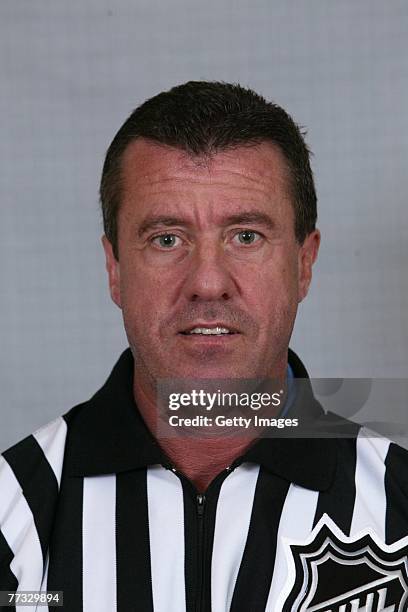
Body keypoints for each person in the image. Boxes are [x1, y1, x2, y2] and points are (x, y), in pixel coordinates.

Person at [1, 81, 408, 612]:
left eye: (246, 236)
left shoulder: (397, 504)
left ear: (303, 264)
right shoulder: (13, 513)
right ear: (115, 269)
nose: (208, 282)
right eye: (167, 239)